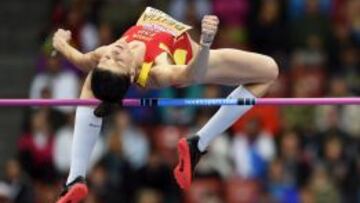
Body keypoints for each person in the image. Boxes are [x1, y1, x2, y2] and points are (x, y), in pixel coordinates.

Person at [53, 7, 278, 203]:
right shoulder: (158, 70)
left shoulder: (107, 53)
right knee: (269, 71)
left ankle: (75, 179)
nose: (114, 52)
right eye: (118, 60)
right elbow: (193, 75)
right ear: (131, 72)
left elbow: (81, 59)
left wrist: (61, 43)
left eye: (108, 58)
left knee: (94, 76)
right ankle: (199, 142)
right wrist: (207, 43)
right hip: (196, 62)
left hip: (188, 61)